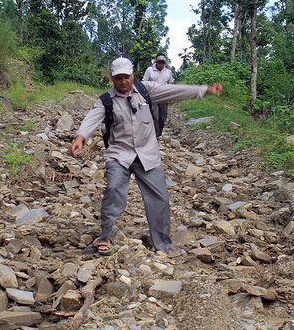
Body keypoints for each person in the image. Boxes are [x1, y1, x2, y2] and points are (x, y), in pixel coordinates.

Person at [69, 57, 222, 254]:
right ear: (112, 79)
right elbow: (92, 118)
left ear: (133, 75)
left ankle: (163, 245)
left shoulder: (145, 90)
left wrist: (204, 90)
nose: (123, 81)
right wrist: (80, 137)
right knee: (114, 189)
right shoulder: (106, 100)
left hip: (147, 154)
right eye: (118, 78)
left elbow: (174, 91)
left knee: (160, 198)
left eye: (126, 77)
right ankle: (106, 235)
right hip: (119, 154)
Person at [142, 53, 174, 138]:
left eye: (162, 63)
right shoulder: (150, 70)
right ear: (156, 62)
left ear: (164, 63)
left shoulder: (168, 72)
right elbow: (144, 82)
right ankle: (155, 135)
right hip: (152, 96)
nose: (161, 64)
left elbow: (170, 84)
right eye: (159, 62)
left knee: (163, 117)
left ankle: (159, 133)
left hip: (163, 96)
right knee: (155, 115)